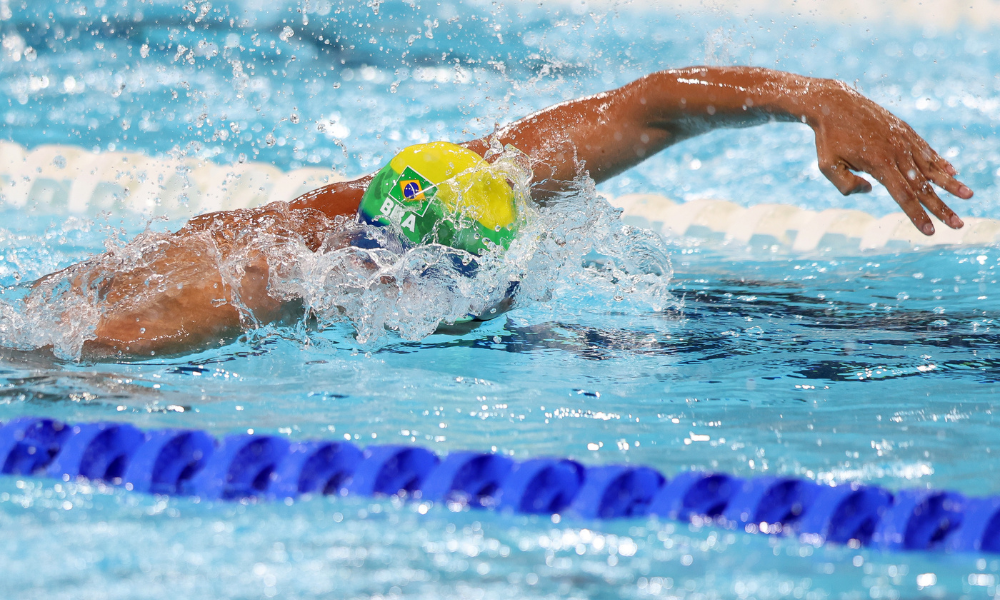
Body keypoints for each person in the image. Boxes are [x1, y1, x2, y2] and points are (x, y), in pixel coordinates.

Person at [29, 66, 975, 359]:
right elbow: (61, 357)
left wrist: (811, 97)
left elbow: (644, 107)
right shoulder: (257, 281)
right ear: (393, 270)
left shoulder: (470, 182)